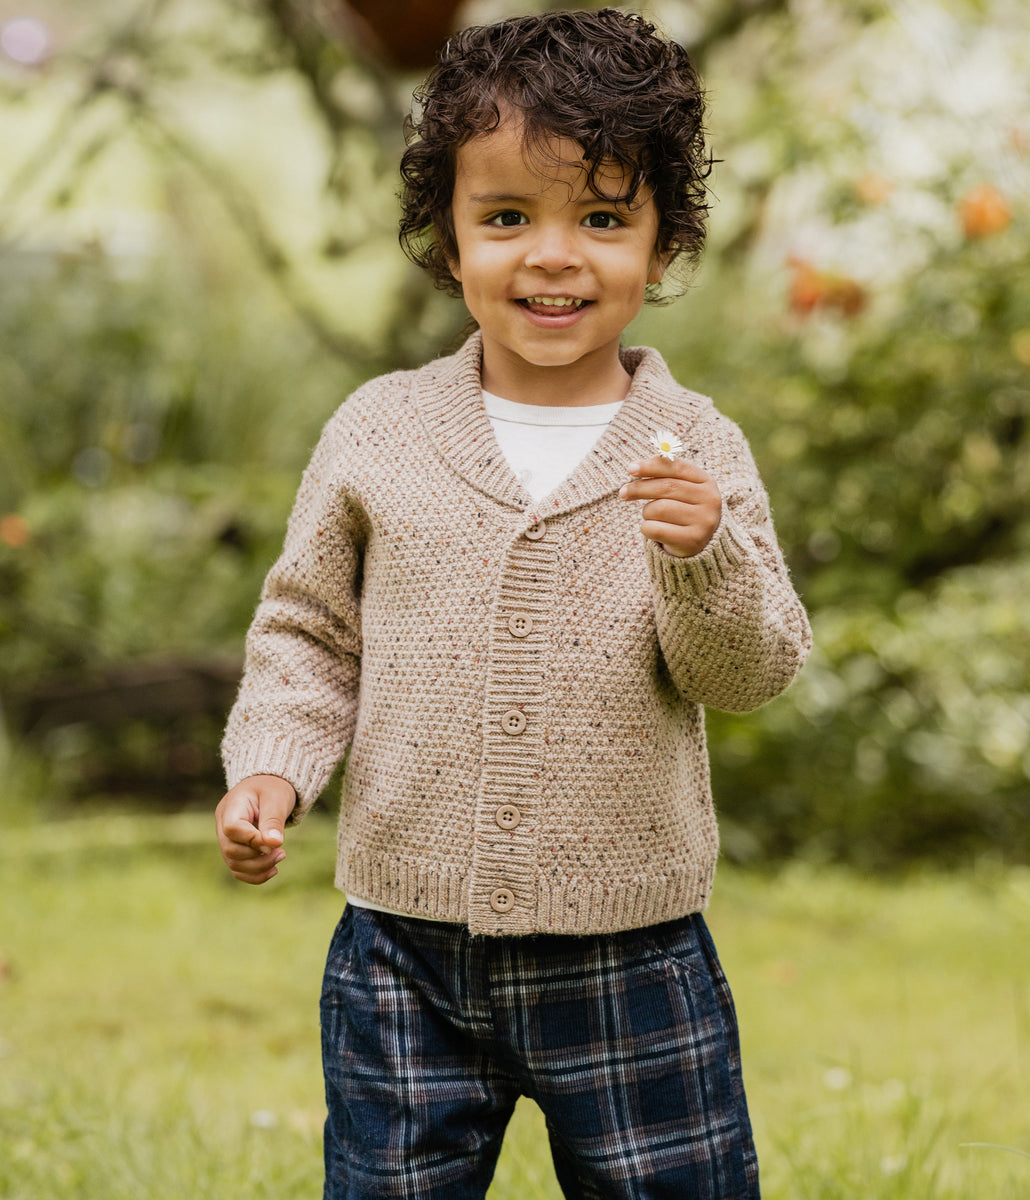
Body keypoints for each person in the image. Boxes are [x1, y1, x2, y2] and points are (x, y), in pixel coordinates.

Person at [215, 9, 811, 1198]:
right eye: (506, 218)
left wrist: (704, 557)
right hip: (402, 950)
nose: (554, 255)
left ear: (661, 240)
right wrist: (272, 767)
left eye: (601, 217)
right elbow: (309, 633)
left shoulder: (692, 445)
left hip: (633, 951)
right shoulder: (380, 431)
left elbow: (752, 671)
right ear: (448, 239)